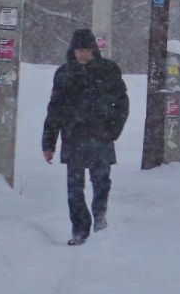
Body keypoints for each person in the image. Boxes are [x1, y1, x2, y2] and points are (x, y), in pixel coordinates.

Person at [42, 29, 130, 246]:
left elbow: (122, 103)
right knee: (74, 188)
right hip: (73, 137)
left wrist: (113, 130)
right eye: (79, 50)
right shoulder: (64, 73)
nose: (82, 54)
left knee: (101, 181)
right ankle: (79, 229)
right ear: (73, 51)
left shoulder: (108, 70)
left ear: (94, 50)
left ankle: (100, 215)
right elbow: (55, 109)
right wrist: (49, 142)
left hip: (101, 136)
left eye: (87, 50)